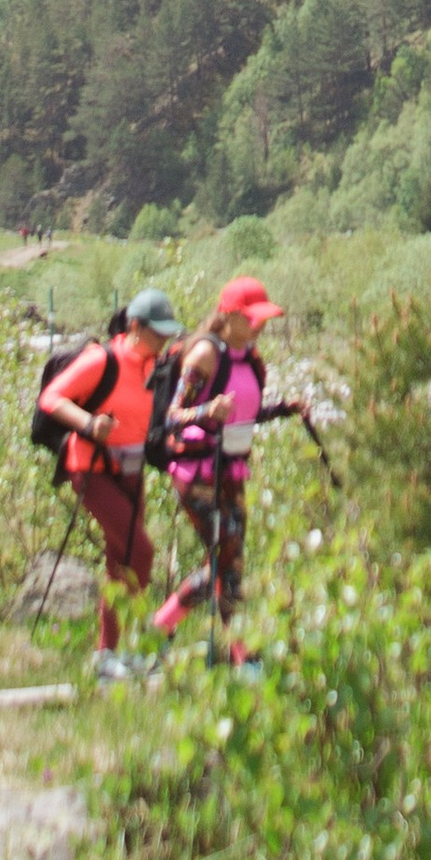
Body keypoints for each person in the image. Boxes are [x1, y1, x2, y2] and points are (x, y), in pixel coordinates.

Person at [154, 273, 312, 642]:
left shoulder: (250, 358)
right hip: (197, 473)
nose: (261, 324)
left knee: (231, 564)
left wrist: (284, 409)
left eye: (264, 317)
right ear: (229, 315)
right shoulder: (204, 354)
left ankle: (207, 641)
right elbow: (172, 416)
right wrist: (207, 410)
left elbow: (245, 415)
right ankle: (223, 646)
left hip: (234, 470)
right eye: (253, 317)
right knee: (226, 558)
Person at [39, 286, 182, 670]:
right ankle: (135, 645)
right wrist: (88, 423)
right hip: (90, 468)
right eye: (158, 332)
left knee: (120, 561)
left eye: (169, 332)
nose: (165, 339)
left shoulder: (155, 366)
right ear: (135, 326)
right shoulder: (102, 359)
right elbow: (51, 398)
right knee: (142, 552)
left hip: (131, 469)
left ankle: (108, 655)